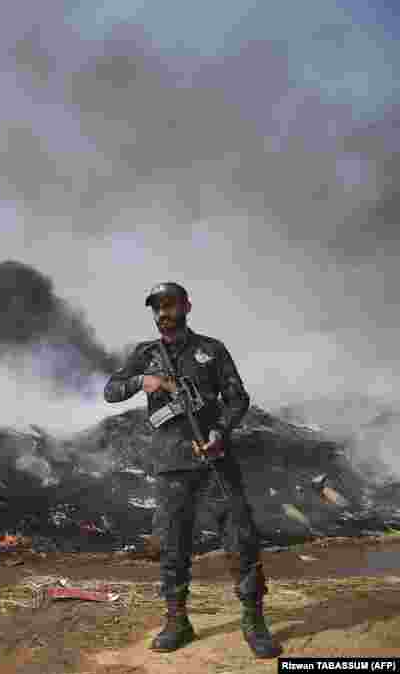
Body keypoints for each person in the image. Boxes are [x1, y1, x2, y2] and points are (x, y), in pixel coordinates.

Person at [103, 282, 282, 658]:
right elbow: (111, 390)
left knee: (240, 538)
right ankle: (176, 621)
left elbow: (237, 397)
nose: (163, 313)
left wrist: (220, 430)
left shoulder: (211, 350)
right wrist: (143, 381)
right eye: (156, 308)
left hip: (214, 458)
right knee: (172, 544)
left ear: (186, 306)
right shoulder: (144, 354)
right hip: (171, 463)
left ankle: (254, 621)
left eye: (169, 305)